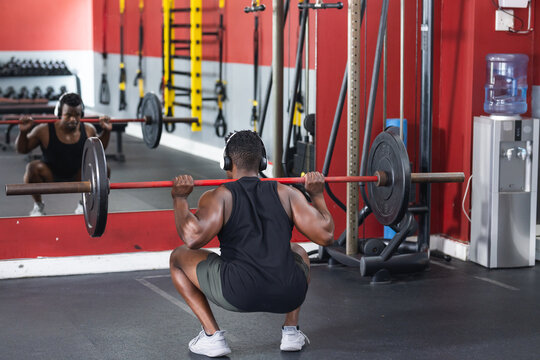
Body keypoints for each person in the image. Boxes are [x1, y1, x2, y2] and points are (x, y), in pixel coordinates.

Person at [169, 130, 335, 357]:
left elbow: (192, 238)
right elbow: (326, 235)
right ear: (264, 162)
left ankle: (212, 337)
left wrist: (179, 199)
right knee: (298, 251)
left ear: (226, 163)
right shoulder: (287, 193)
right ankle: (291, 331)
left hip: (237, 293)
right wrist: (316, 194)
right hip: (289, 292)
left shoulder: (219, 196)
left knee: (178, 257)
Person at [15, 92, 112, 216]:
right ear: (60, 113)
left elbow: (99, 150)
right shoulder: (44, 130)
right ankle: (38, 206)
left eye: (77, 115)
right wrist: (23, 133)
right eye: (68, 115)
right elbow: (22, 149)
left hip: (78, 174)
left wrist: (106, 131)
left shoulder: (88, 129)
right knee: (32, 168)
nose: (73, 119)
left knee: (103, 169)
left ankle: (84, 204)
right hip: (51, 174)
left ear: (81, 114)